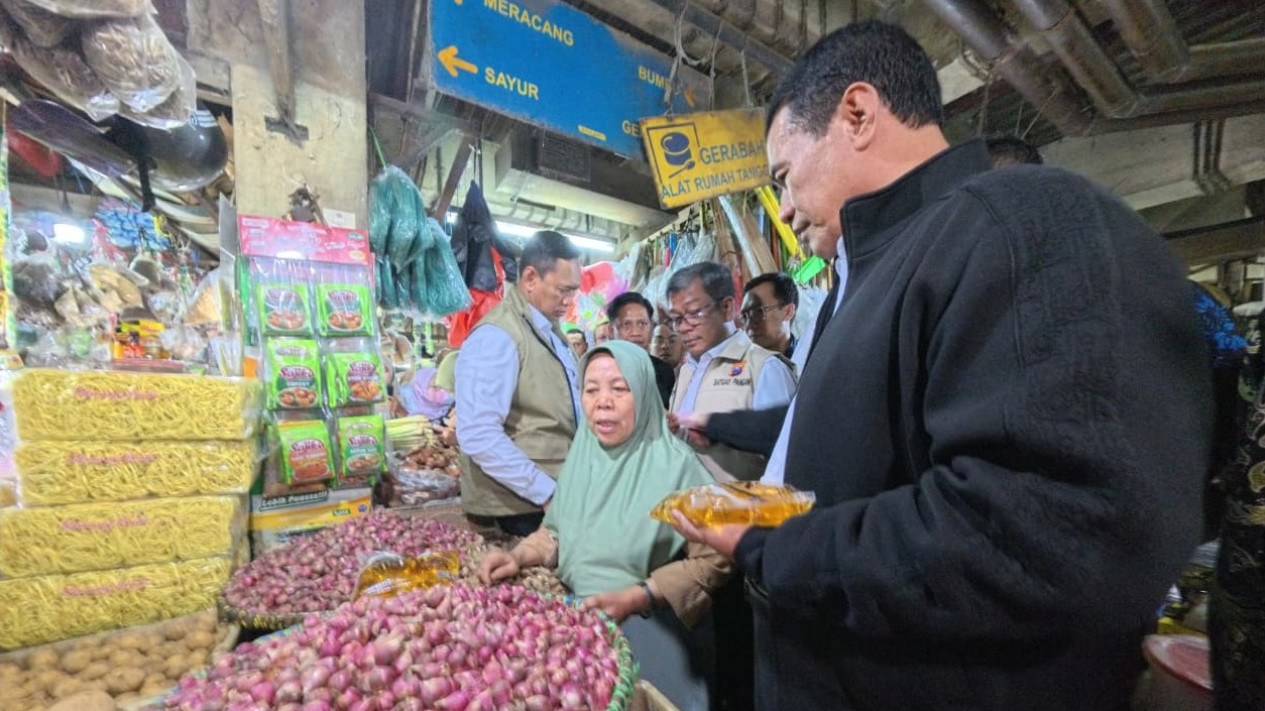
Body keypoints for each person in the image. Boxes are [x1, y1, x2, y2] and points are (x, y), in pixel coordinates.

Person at [670, 20, 1213, 711]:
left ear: (857, 114)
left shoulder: (1021, 226)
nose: (780, 208)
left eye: (782, 176)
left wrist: (773, 543)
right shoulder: (865, 276)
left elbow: (1037, 533)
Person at [478, 341, 729, 711]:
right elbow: (556, 531)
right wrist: (519, 556)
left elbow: (715, 560)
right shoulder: (585, 451)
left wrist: (640, 595)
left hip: (647, 628)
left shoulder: (679, 467)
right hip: (577, 623)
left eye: (619, 388)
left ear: (643, 394)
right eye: (591, 389)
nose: (603, 402)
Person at [455, 231, 583, 537]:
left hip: (548, 497)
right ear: (529, 278)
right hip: (519, 507)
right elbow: (478, 433)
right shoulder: (498, 335)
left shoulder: (549, 331)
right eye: (563, 290)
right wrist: (545, 492)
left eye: (573, 291)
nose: (568, 301)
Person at [664, 262, 796, 482]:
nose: (684, 327)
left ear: (726, 308)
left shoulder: (765, 368)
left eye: (695, 313)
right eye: (677, 319)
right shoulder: (686, 371)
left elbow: (786, 457)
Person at [608, 291, 675, 407]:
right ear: (611, 331)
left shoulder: (664, 372)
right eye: (626, 325)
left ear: (652, 326)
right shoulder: (600, 370)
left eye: (642, 324)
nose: (636, 332)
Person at [738, 272, 799, 359]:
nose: (749, 324)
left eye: (759, 312)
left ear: (788, 311)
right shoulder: (740, 367)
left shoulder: (809, 359)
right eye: (745, 316)